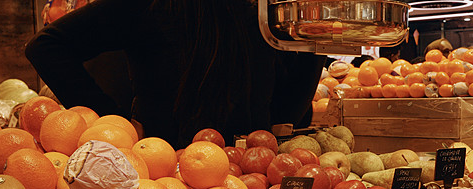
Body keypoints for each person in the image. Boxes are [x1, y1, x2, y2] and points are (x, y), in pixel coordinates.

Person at [25, 0, 325, 149]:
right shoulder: (149, 4)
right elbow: (47, 47)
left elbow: (297, 88)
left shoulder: (263, 8)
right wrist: (114, 121)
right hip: (164, 169)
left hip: (251, 171)